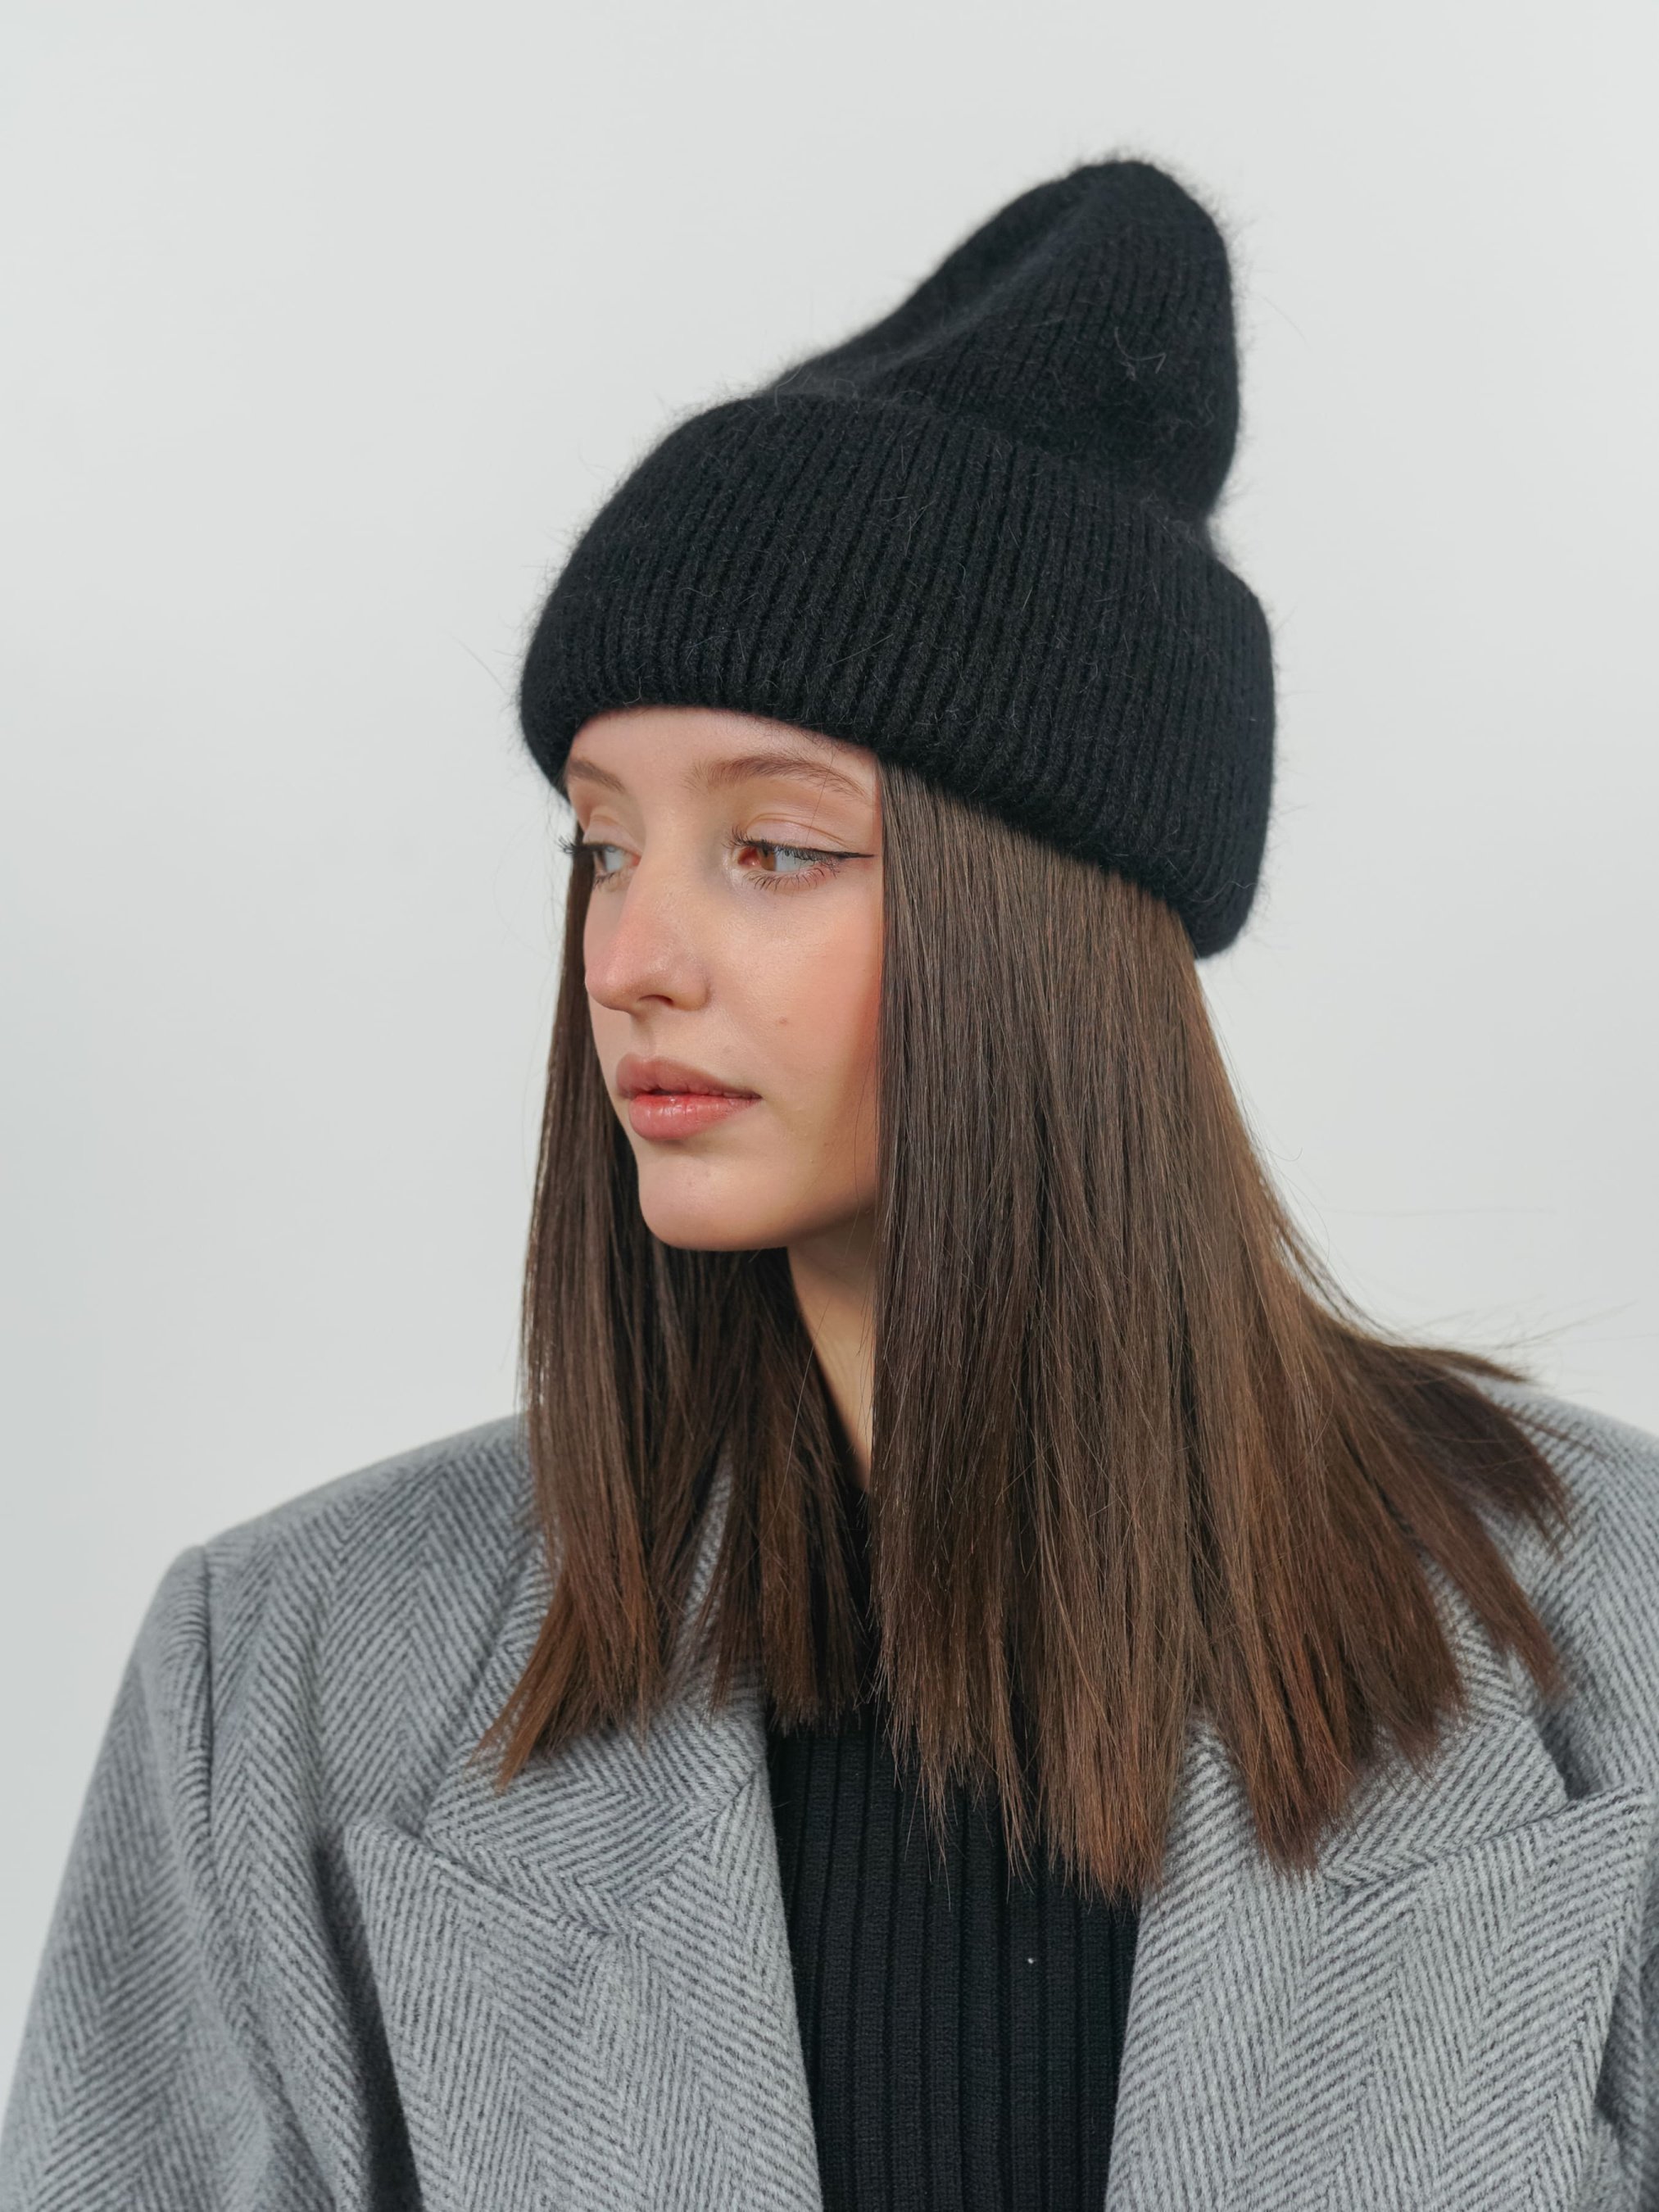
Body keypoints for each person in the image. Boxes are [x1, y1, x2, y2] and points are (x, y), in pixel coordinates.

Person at [2, 156, 1657, 2212]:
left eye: (770, 848)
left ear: (1043, 925)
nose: (628, 955)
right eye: (601, 845)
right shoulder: (293, 1684)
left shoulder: (1617, 1639)